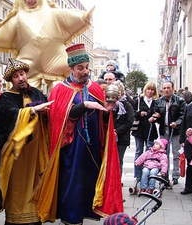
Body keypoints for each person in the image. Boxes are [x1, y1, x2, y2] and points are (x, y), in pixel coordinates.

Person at [32, 43, 123, 224]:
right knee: (72, 186)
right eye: (80, 68)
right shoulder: (60, 89)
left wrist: (108, 111)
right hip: (71, 149)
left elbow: (103, 118)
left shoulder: (96, 88)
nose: (85, 71)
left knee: (88, 184)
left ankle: (88, 213)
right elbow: (57, 119)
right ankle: (70, 219)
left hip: (92, 148)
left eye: (87, 67)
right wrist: (83, 106)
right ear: (71, 68)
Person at [0, 0, 94, 92]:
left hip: (56, 58)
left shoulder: (52, 13)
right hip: (29, 61)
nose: (30, 0)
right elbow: (7, 30)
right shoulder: (18, 18)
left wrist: (84, 17)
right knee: (28, 93)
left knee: (60, 89)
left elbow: (67, 17)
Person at [0, 58, 54, 225]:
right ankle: (16, 219)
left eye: (22, 74)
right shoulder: (5, 98)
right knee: (18, 189)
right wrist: (32, 110)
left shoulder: (37, 93)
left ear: (26, 74)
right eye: (15, 76)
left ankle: (36, 217)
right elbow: (7, 117)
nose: (20, 78)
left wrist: (45, 113)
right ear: (10, 80)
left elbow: (48, 114)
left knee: (36, 185)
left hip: (36, 153)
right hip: (17, 155)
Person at [150, 80, 186, 186]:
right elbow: (155, 113)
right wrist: (155, 117)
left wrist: (177, 123)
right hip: (163, 130)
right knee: (163, 154)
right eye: (164, 88)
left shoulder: (179, 101)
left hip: (175, 131)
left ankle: (175, 176)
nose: (166, 90)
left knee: (176, 154)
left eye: (168, 88)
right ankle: (164, 174)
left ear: (173, 89)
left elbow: (182, 115)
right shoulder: (159, 101)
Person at [132, 82, 159, 180]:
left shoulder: (156, 102)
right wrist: (140, 114)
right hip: (139, 130)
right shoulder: (139, 100)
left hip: (150, 130)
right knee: (139, 151)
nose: (150, 92)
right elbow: (133, 113)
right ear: (145, 90)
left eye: (152, 90)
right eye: (149, 89)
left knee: (149, 152)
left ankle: (147, 174)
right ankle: (137, 174)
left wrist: (156, 116)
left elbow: (159, 114)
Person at [112, 80, 134, 178]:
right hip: (110, 136)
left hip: (121, 138)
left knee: (118, 160)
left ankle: (117, 180)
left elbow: (129, 122)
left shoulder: (126, 105)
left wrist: (117, 131)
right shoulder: (110, 103)